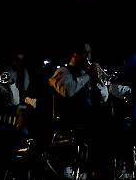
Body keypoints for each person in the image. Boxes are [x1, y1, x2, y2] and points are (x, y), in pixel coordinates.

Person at [48, 42, 131, 179]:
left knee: (121, 126)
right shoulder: (63, 72)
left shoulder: (90, 74)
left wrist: (101, 81)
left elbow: (105, 94)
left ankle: (120, 168)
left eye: (89, 52)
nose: (88, 56)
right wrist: (88, 75)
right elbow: (68, 90)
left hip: (96, 123)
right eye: (84, 52)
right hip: (75, 123)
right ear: (74, 54)